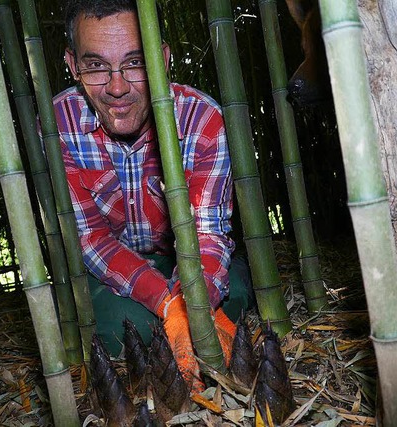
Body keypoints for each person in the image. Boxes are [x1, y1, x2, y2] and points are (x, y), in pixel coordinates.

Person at [54, 0, 252, 394]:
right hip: (111, 270)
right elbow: (91, 240)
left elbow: (208, 233)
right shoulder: (58, 124)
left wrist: (191, 301)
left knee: (239, 296)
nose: (116, 87)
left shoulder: (202, 119)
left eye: (135, 62)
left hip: (187, 258)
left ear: (162, 58)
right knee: (116, 329)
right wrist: (170, 306)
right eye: (95, 66)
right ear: (73, 65)